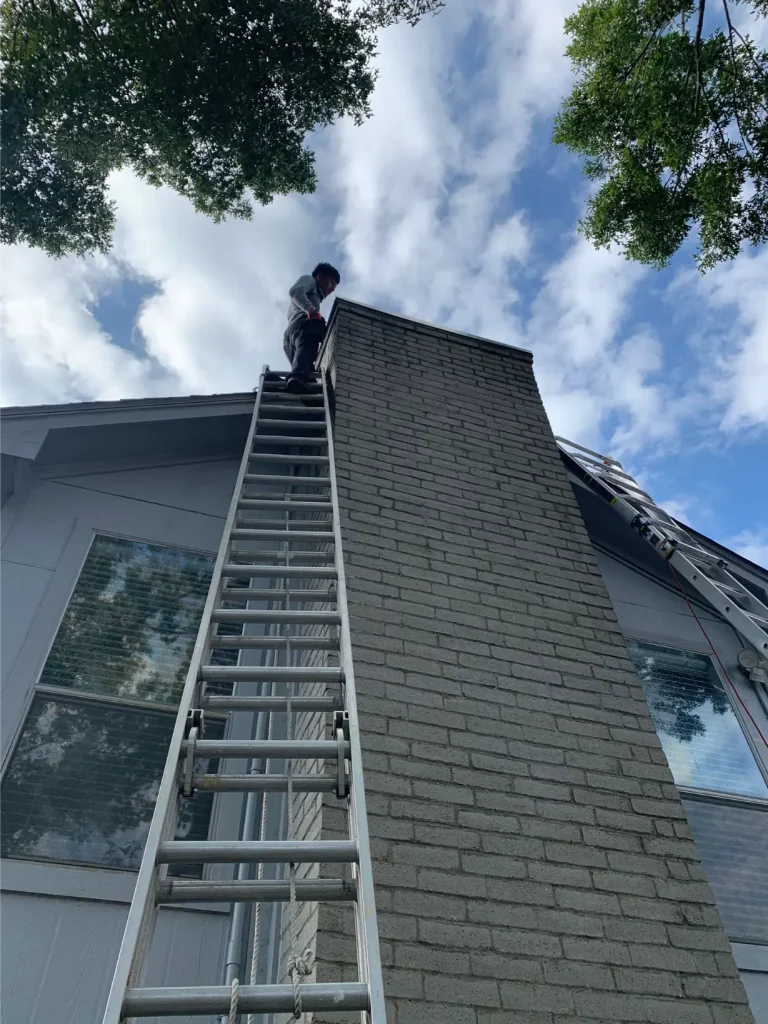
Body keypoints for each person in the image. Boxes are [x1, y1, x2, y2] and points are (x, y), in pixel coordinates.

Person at [283, 262, 340, 392]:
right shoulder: (310, 280)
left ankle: (276, 383)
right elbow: (295, 291)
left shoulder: (314, 297)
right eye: (331, 283)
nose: (332, 289)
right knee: (318, 324)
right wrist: (310, 310)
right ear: (320, 277)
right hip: (301, 328)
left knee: (307, 380)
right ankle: (297, 376)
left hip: (290, 339)